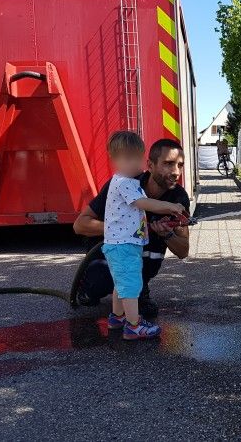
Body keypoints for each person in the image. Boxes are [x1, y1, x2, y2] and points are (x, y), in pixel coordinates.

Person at [72, 138, 191, 319]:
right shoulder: (126, 184)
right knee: (102, 277)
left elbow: (183, 250)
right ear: (150, 165)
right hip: (112, 257)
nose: (176, 172)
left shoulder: (178, 198)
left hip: (138, 263)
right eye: (168, 164)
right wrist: (123, 229)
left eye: (180, 165)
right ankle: (88, 289)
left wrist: (167, 234)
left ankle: (137, 291)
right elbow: (80, 225)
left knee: (147, 309)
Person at [100, 131, 185, 340]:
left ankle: (117, 317)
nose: (136, 164)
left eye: (138, 158)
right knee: (130, 285)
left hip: (119, 244)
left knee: (120, 283)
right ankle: (133, 325)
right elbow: (143, 203)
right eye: (129, 159)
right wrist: (169, 206)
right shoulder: (126, 183)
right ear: (114, 160)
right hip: (125, 244)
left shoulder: (118, 180)